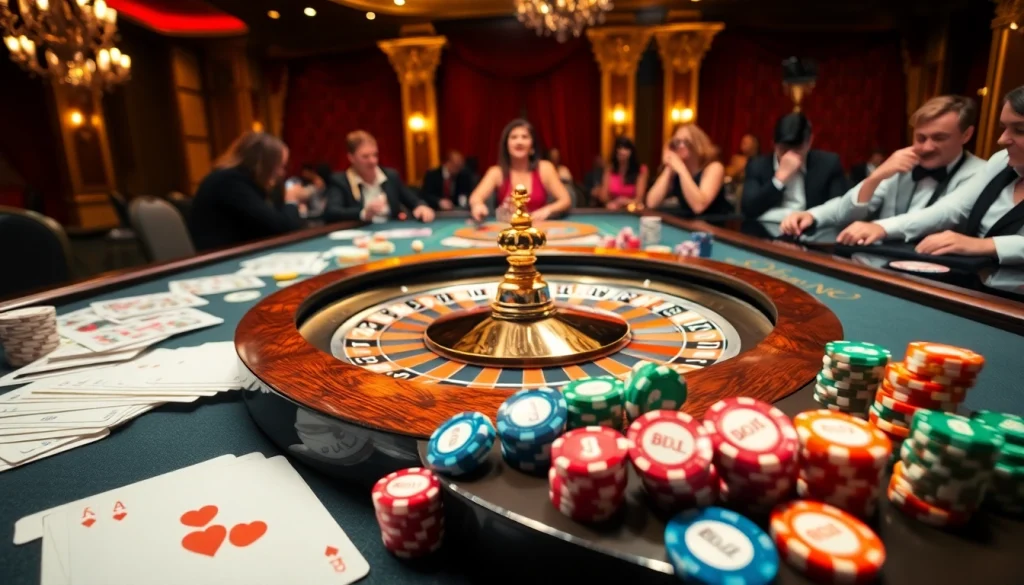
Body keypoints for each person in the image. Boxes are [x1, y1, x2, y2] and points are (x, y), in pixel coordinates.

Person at [836, 86, 1024, 269]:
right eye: (1004, 128)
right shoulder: (1000, 161)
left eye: (1020, 130)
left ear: (967, 135)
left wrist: (985, 245)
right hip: (971, 282)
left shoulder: (975, 168)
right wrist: (883, 227)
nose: (1001, 139)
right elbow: (952, 208)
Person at [781, 96, 985, 237]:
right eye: (920, 137)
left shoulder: (980, 173)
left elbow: (940, 216)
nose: (926, 147)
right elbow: (846, 210)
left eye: (939, 138)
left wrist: (880, 227)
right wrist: (812, 215)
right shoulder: (905, 161)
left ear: (966, 135)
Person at [188, 131, 309, 251]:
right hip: (218, 261)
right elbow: (281, 230)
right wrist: (291, 200)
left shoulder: (243, 182)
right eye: (280, 166)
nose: (281, 173)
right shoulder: (228, 182)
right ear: (264, 163)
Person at [741, 112, 848, 222]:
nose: (790, 155)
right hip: (768, 231)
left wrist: (811, 216)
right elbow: (748, 209)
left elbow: (839, 207)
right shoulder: (757, 166)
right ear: (774, 145)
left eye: (797, 149)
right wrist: (778, 181)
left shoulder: (828, 163)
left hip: (811, 230)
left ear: (809, 142)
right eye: (784, 149)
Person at [468, 119, 573, 221]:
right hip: (508, 230)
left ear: (532, 146)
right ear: (506, 145)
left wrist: (547, 210)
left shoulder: (545, 168)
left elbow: (565, 200)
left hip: (538, 229)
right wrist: (478, 206)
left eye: (525, 137)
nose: (519, 142)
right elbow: (475, 197)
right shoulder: (496, 172)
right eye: (514, 137)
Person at [323, 130, 435, 223]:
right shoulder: (340, 180)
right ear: (351, 158)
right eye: (365, 156)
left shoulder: (390, 176)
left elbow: (413, 201)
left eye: (375, 155)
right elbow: (332, 212)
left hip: (393, 234)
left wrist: (421, 207)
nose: (372, 161)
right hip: (360, 237)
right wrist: (364, 213)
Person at [645, 123, 730, 217]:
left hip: (712, 227)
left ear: (698, 144)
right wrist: (669, 167)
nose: (681, 146)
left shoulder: (714, 167)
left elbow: (699, 206)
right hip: (687, 226)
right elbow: (651, 203)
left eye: (686, 142)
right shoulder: (677, 169)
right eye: (677, 142)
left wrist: (681, 168)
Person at [597, 136, 648, 210]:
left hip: (633, 210)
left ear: (631, 151)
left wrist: (622, 201)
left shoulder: (641, 170)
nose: (622, 151)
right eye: (619, 148)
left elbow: (639, 199)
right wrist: (609, 202)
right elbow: (604, 197)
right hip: (613, 210)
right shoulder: (609, 169)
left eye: (626, 148)